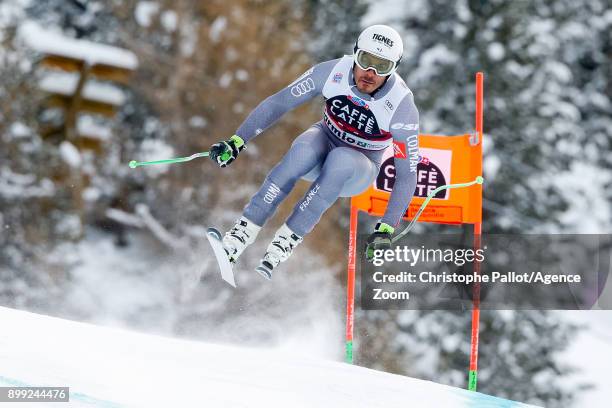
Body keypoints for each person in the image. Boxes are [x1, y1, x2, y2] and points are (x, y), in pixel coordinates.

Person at [209, 24, 419, 279]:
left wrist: (387, 227)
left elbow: (407, 173)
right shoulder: (331, 72)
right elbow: (281, 101)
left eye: (382, 66)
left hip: (358, 168)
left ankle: (282, 244)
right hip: (324, 143)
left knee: (341, 160)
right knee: (302, 150)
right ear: (355, 53)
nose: (370, 73)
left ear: (394, 69)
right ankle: (239, 237)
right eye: (365, 60)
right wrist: (236, 141)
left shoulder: (401, 106)